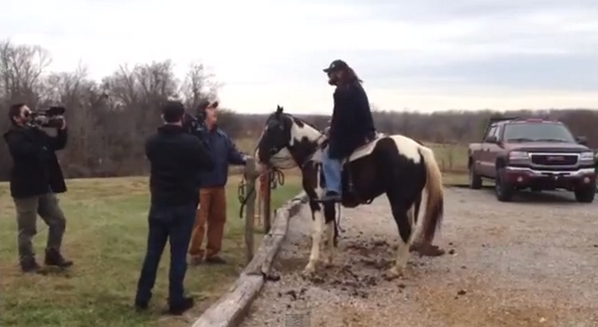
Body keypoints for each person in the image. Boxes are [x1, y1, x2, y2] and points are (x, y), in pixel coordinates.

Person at [134, 100, 214, 315]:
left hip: (159, 203)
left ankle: (142, 297)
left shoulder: (152, 141)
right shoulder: (191, 142)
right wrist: (200, 134)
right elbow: (209, 163)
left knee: (152, 253)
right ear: (182, 116)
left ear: (163, 116)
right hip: (183, 205)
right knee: (178, 256)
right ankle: (176, 299)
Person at [3, 103, 72, 273]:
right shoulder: (13, 136)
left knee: (58, 220)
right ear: (16, 118)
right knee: (27, 229)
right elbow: (28, 153)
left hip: (43, 186)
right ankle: (27, 263)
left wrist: (61, 128)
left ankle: (52, 254)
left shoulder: (34, 132)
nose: (30, 115)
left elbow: (57, 144)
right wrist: (36, 129)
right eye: (26, 113)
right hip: (25, 189)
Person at [188, 100, 247, 265]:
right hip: (200, 186)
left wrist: (245, 159)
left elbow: (232, 153)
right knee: (199, 222)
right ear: (202, 113)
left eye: (215, 108)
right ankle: (195, 253)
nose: (215, 111)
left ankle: (212, 253)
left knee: (218, 219)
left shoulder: (222, 136)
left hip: (219, 185)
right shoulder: (195, 135)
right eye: (211, 109)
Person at [319, 59, 376, 202]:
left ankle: (333, 189)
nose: (329, 77)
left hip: (353, 134)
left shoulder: (341, 91)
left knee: (327, 155)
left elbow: (341, 119)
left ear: (339, 73)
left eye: (330, 73)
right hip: (366, 130)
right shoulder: (356, 86)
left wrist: (331, 132)